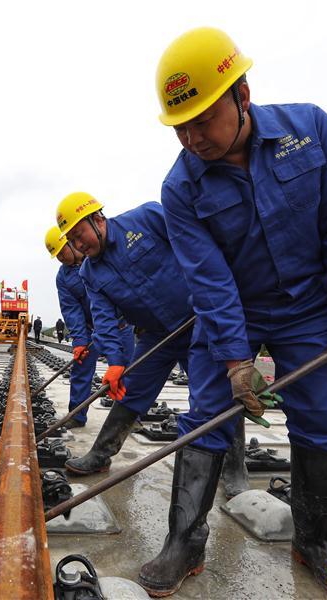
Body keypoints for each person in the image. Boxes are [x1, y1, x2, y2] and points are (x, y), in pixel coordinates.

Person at [143, 28, 327, 598]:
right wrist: (233, 357)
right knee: (207, 413)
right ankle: (184, 541)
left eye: (203, 119)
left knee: (326, 418)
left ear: (243, 96)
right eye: (180, 125)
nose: (191, 136)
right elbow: (209, 278)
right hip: (236, 310)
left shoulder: (312, 132)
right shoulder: (180, 188)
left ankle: (316, 543)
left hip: (310, 309)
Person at [56, 193, 192, 475]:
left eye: (80, 234)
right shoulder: (89, 274)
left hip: (197, 322)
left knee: (213, 396)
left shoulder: (147, 218)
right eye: (71, 240)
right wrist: (116, 362)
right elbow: (103, 319)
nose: (78, 244)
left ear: (98, 219)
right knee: (130, 390)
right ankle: (101, 454)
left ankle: (231, 470)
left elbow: (195, 244)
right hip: (156, 335)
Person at [44, 225, 135, 428]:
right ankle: (77, 414)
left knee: (127, 371)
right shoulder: (63, 277)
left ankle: (129, 419)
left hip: (120, 326)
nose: (60, 258)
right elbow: (71, 310)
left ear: (71, 242)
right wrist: (79, 340)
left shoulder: (99, 257)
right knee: (81, 368)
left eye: (61, 251)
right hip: (91, 330)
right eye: (56, 256)